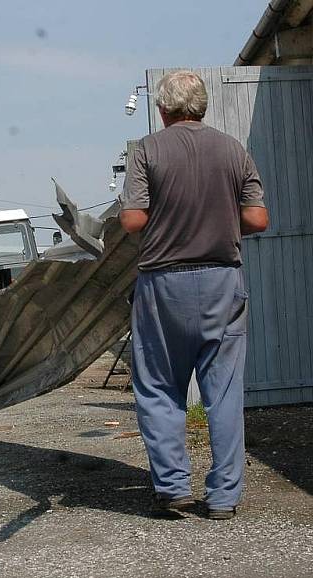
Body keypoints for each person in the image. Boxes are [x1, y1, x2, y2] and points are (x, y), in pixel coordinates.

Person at [120, 70, 269, 520]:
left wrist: (169, 218)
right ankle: (223, 498)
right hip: (223, 280)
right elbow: (259, 219)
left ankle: (173, 487)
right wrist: (219, 219)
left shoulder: (147, 150)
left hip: (164, 284)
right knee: (223, 392)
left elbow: (131, 220)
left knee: (159, 387)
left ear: (163, 110)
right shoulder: (233, 149)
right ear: (202, 106)